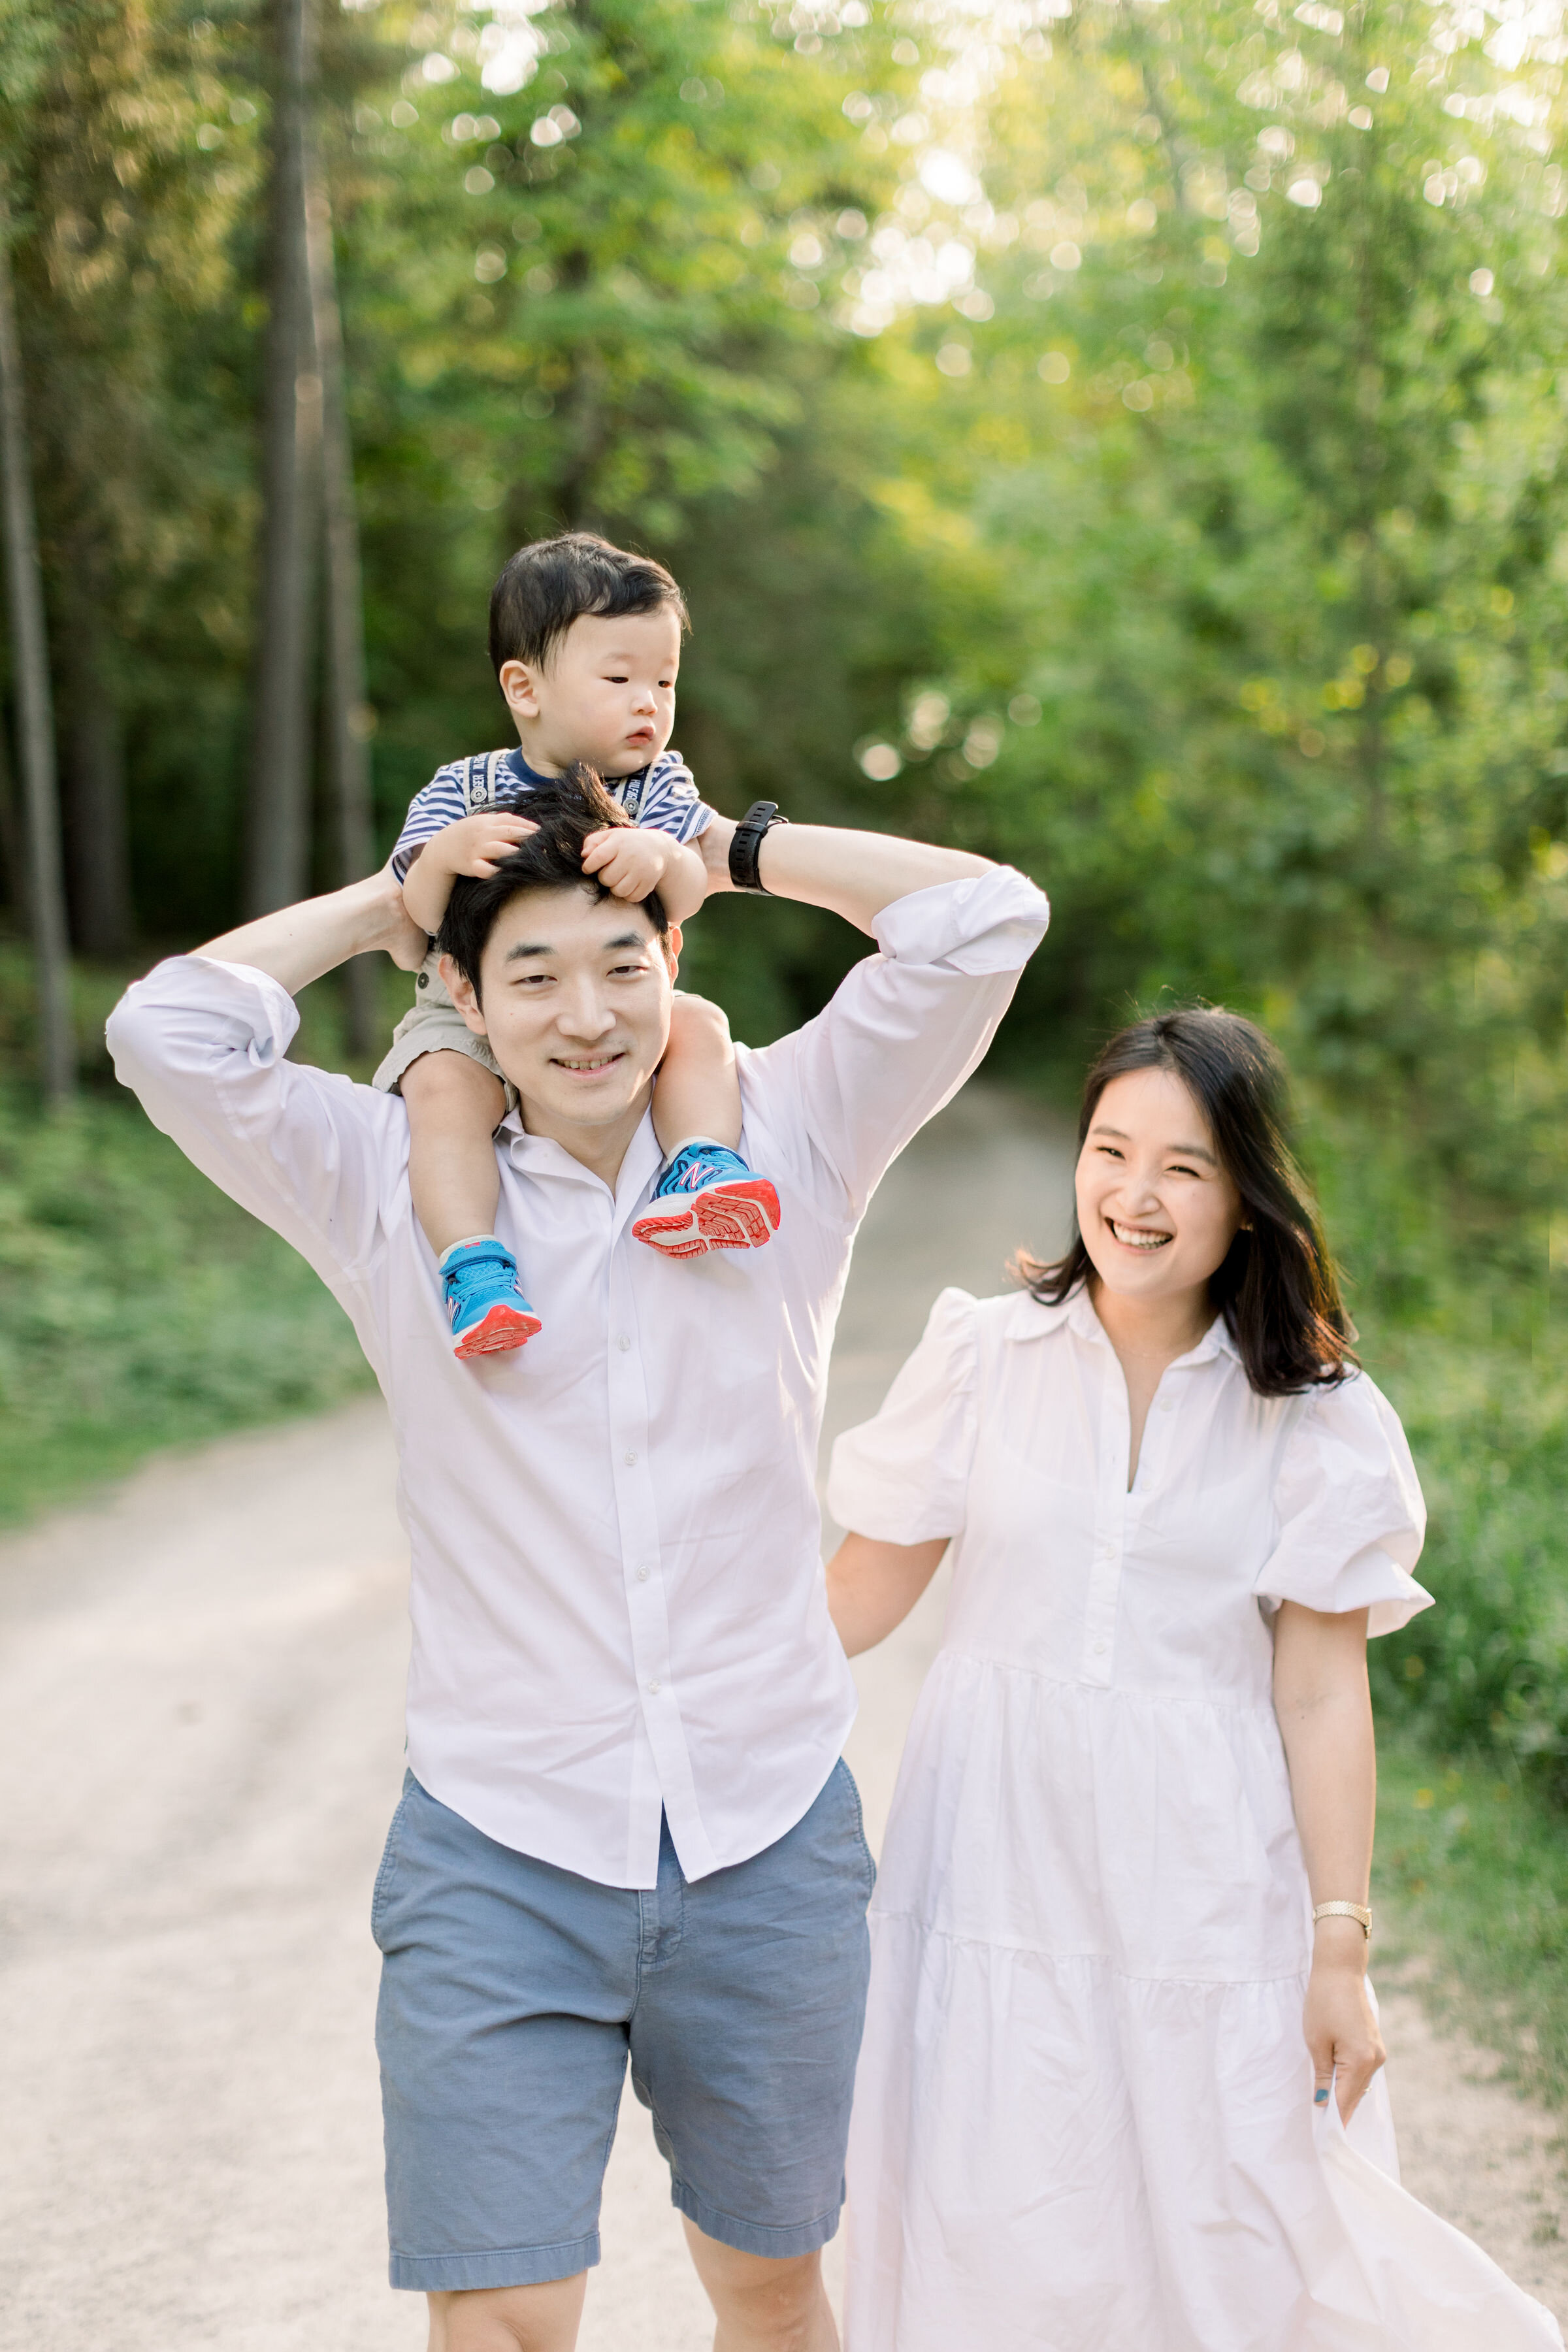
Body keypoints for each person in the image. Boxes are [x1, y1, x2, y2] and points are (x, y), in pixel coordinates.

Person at [105, 774, 1049, 2352]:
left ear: (673, 968)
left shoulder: (788, 1138)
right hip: (497, 1838)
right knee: (504, 2312)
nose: (586, 1013)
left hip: (762, 1827)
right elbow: (167, 1035)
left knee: (763, 2285)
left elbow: (979, 923)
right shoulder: (389, 1188)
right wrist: (384, 901)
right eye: (531, 975)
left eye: (622, 964)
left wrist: (728, 853)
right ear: (463, 997)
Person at [826, 1007, 1563, 2351]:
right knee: (996, 2222)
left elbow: (1321, 1695)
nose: (1135, 1195)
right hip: (996, 1861)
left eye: (1184, 1165)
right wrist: (686, 1692)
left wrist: (1342, 1944)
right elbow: (858, 1599)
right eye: (1111, 1151)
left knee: (1237, 2240)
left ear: (1248, 1193)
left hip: (1211, 1879)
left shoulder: (1318, 1412)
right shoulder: (984, 1362)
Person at [382, 530, 779, 1360]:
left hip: (616, 996)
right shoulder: (463, 788)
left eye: (665, 682)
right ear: (524, 688)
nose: (650, 705)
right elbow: (409, 915)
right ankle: (473, 1262)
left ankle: (703, 1166)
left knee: (700, 1027)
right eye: (620, 678)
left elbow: (688, 893)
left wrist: (663, 858)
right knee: (445, 1098)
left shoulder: (659, 788)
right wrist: (446, 858)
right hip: (470, 1014)